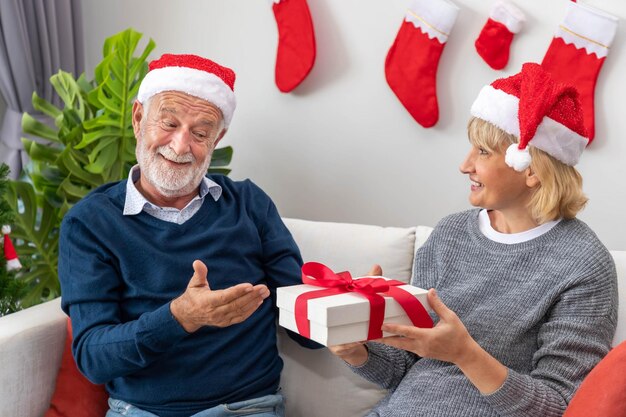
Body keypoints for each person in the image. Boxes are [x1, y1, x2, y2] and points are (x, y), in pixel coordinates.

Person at [329, 62, 618, 417]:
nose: (465, 165)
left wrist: (466, 354)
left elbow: (559, 407)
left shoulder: (583, 265)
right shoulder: (449, 234)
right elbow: (407, 368)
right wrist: (357, 349)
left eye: (482, 152)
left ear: (531, 169)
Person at [58, 54, 319, 417]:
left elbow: (306, 329)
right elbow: (93, 358)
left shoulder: (249, 204)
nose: (180, 146)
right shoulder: (90, 223)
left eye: (199, 133)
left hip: (244, 409)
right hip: (141, 411)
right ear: (138, 119)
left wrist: (350, 308)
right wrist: (180, 317)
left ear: (218, 138)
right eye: (168, 123)